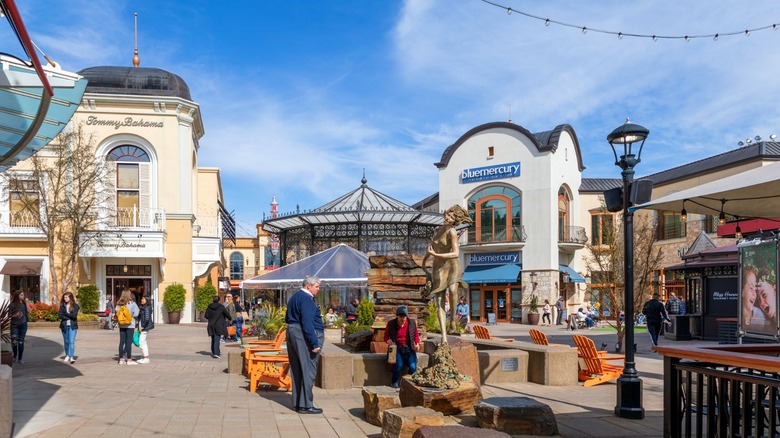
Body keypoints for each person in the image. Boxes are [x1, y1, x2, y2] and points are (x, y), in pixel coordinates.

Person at [422, 204, 473, 337]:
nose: (447, 218)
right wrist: (423, 263)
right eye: (447, 215)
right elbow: (431, 249)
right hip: (438, 267)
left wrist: (436, 255)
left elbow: (456, 253)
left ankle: (453, 322)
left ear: (455, 221)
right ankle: (444, 336)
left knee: (452, 290)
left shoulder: (452, 232)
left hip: (452, 265)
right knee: (439, 301)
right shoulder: (437, 230)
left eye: (451, 217)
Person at [285, 275, 325, 414]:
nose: (318, 289)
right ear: (308, 286)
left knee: (297, 369)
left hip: (292, 331)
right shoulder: (306, 299)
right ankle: (306, 405)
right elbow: (307, 323)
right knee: (308, 369)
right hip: (302, 334)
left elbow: (288, 317)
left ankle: (298, 403)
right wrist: (314, 343)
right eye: (317, 286)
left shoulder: (294, 297)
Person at [384, 305, 420, 388]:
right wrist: (388, 341)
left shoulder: (411, 323)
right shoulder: (391, 324)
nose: (403, 320)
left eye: (404, 318)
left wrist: (417, 343)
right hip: (396, 348)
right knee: (398, 365)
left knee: (413, 366)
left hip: (408, 347)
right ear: (397, 317)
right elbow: (385, 337)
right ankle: (394, 382)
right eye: (401, 318)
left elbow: (416, 336)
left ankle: (408, 383)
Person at [115, 289, 140, 365]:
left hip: (121, 324)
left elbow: (116, 313)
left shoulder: (119, 303)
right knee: (128, 342)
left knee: (122, 341)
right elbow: (136, 314)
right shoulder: (132, 303)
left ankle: (121, 359)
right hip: (130, 324)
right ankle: (129, 359)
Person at [9, 290, 32, 364]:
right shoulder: (12, 305)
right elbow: (9, 315)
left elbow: (29, 312)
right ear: (17, 296)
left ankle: (20, 358)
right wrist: (16, 315)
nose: (23, 296)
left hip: (23, 325)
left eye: (23, 295)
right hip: (14, 325)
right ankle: (15, 355)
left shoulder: (24, 304)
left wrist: (27, 303)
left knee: (21, 342)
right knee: (14, 342)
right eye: (21, 295)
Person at [58, 292, 80, 364]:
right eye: (64, 297)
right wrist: (69, 315)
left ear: (70, 298)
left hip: (72, 326)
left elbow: (74, 316)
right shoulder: (62, 306)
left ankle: (72, 357)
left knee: (71, 341)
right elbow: (60, 316)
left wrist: (66, 314)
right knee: (66, 342)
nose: (65, 299)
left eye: (66, 297)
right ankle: (67, 355)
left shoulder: (75, 306)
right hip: (64, 326)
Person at [137, 295, 154, 364]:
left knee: (141, 342)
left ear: (147, 300)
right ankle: (145, 357)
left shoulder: (146, 308)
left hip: (145, 327)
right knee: (143, 341)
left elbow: (147, 319)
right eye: (142, 298)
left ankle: (146, 358)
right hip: (144, 326)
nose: (142, 300)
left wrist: (142, 327)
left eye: (143, 299)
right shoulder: (144, 307)